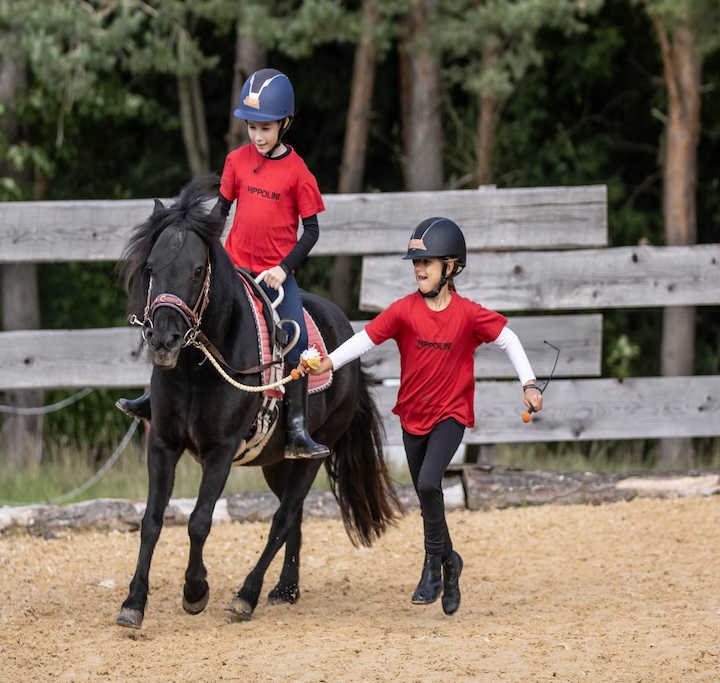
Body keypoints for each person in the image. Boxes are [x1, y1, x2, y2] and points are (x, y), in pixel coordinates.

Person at [300, 217, 544, 615]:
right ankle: (451, 561)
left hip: (451, 414)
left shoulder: (468, 314)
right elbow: (364, 340)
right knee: (426, 495)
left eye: (427, 262)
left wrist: (529, 383)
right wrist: (328, 361)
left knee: (430, 483)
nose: (419, 269)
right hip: (412, 416)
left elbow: (509, 339)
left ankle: (432, 567)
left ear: (450, 267)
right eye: (415, 262)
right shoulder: (403, 311)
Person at [117, 67, 330, 460]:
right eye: (252, 127)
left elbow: (312, 231)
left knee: (297, 338)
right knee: (179, 317)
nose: (258, 136)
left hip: (275, 278)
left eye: (266, 128)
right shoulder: (236, 161)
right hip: (232, 271)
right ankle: (153, 397)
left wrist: (284, 267)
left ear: (285, 124)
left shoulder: (299, 173)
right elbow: (220, 214)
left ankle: (297, 428)